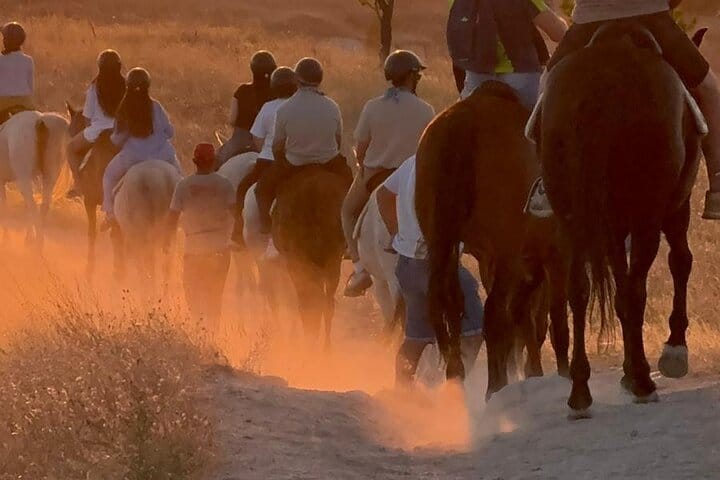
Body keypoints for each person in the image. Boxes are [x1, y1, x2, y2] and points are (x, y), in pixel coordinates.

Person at [530, 0, 720, 220]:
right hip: (652, 17)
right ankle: (717, 183)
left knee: (547, 87)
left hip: (588, 21)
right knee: (709, 90)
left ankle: (548, 181)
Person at [377, 156, 484, 386]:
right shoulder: (450, 165)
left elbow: (383, 194)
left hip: (407, 264)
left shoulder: (412, 161)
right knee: (474, 326)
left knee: (416, 336)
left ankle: (402, 389)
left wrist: (397, 234)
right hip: (437, 265)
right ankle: (452, 387)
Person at [342, 50, 435, 297]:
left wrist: (363, 169)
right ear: (412, 77)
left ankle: (360, 269)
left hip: (376, 175)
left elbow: (360, 148)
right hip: (415, 178)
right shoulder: (426, 110)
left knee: (348, 212)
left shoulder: (372, 107)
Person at [255, 57, 350, 242]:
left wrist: (281, 161)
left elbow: (278, 145)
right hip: (328, 162)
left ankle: (266, 224)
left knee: (262, 189)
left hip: (294, 163)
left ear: (296, 79)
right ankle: (349, 232)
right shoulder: (333, 107)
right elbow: (338, 141)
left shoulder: (285, 108)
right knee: (350, 186)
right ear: (320, 79)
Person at [448, 0, 567, 109]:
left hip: (476, 78)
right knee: (545, 120)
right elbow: (559, 33)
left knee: (456, 122)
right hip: (522, 76)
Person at [101, 67, 181, 228]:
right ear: (148, 86)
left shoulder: (124, 109)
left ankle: (109, 213)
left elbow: (117, 140)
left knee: (108, 176)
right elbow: (170, 132)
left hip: (133, 157)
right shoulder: (156, 106)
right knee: (180, 178)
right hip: (162, 155)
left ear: (127, 86)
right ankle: (185, 214)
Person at [166, 144, 235, 323]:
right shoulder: (225, 184)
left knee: (193, 296)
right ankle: (213, 336)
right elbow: (236, 214)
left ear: (195, 162)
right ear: (213, 161)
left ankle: (199, 334)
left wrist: (167, 241)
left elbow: (172, 217)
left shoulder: (183, 185)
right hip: (220, 249)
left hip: (193, 250)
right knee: (215, 297)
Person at [231, 66, 297, 245]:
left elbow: (257, 137)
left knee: (245, 188)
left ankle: (240, 233)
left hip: (269, 160)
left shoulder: (268, 107)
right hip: (297, 162)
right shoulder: (298, 106)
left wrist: (264, 150)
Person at [66, 50, 126, 198]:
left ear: (100, 66)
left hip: (98, 131)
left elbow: (87, 116)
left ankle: (78, 185)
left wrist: (88, 128)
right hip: (121, 131)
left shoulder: (95, 86)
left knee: (70, 149)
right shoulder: (126, 85)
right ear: (119, 66)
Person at [216, 51, 277, 167]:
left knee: (215, 164)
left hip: (240, 140)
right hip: (267, 143)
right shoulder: (277, 94)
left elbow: (232, 119)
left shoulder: (242, 90)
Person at [0, 22, 34, 123]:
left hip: (3, 104)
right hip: (26, 104)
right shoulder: (29, 60)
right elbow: (31, 88)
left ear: (5, 41)